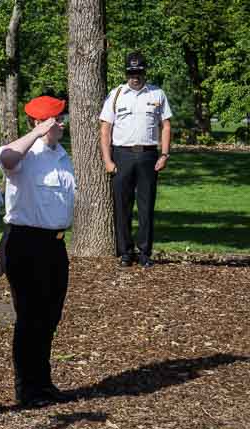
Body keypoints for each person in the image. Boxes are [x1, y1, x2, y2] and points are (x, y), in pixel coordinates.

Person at [0, 96, 76, 409]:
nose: (62, 123)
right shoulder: (25, 154)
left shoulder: (60, 154)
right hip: (26, 243)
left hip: (54, 244)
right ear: (41, 123)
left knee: (50, 316)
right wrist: (37, 133)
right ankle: (27, 389)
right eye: (57, 119)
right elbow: (6, 159)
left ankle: (42, 382)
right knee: (30, 317)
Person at [99, 51, 173, 268]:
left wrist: (165, 154)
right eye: (131, 72)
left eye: (139, 72)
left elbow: (166, 125)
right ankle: (125, 251)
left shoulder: (157, 94)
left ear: (144, 72)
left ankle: (145, 252)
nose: (135, 77)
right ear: (126, 73)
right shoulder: (116, 95)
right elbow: (105, 129)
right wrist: (107, 160)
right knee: (122, 205)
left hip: (149, 155)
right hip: (121, 155)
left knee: (146, 205)